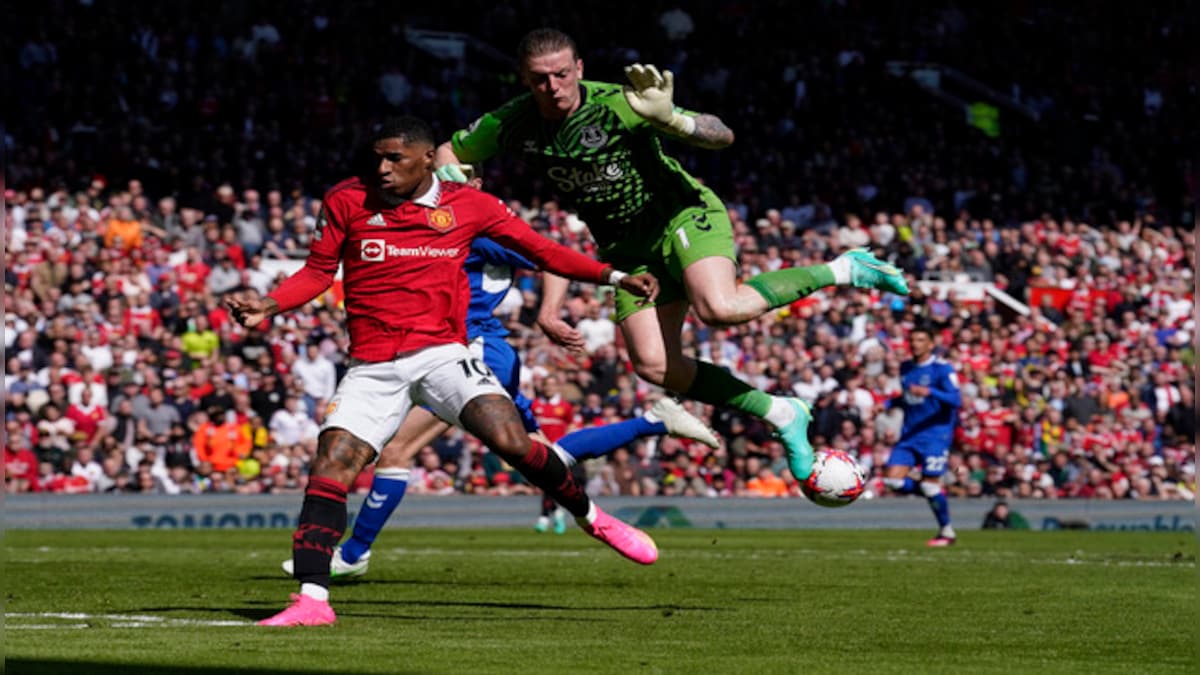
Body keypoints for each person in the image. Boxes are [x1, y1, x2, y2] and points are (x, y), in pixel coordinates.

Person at [228, 116, 662, 627]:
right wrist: (269, 305)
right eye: (377, 158)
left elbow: (542, 251)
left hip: (442, 354)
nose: (382, 169)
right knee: (332, 464)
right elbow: (319, 272)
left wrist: (613, 277)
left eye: (395, 159)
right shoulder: (347, 199)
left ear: (428, 159)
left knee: (511, 440)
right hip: (372, 364)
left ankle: (594, 519)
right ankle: (311, 602)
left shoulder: (470, 207)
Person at [434, 28, 908, 481]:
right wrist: (457, 186)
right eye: (539, 77)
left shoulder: (620, 102)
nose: (552, 86)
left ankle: (844, 267)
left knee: (720, 308)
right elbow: (448, 152)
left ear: (579, 67)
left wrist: (672, 120)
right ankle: (781, 411)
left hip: (681, 215)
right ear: (523, 78)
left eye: (561, 73)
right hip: (627, 250)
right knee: (656, 366)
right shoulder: (512, 120)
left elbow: (721, 135)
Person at [281, 218, 719, 578]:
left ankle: (354, 554)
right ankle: (653, 421)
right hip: (471, 350)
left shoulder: (470, 227)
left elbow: (549, 258)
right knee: (542, 456)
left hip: (470, 349)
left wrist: (547, 312)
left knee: (399, 448)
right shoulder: (434, 225)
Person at [882, 325, 962, 546]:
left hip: (936, 436)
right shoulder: (906, 367)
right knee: (892, 481)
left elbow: (956, 400)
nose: (915, 344)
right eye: (913, 339)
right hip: (909, 434)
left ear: (930, 344)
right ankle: (932, 489)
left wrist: (930, 392)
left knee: (929, 485)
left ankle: (947, 532)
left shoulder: (942, 369)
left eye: (920, 340)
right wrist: (886, 404)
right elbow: (906, 398)